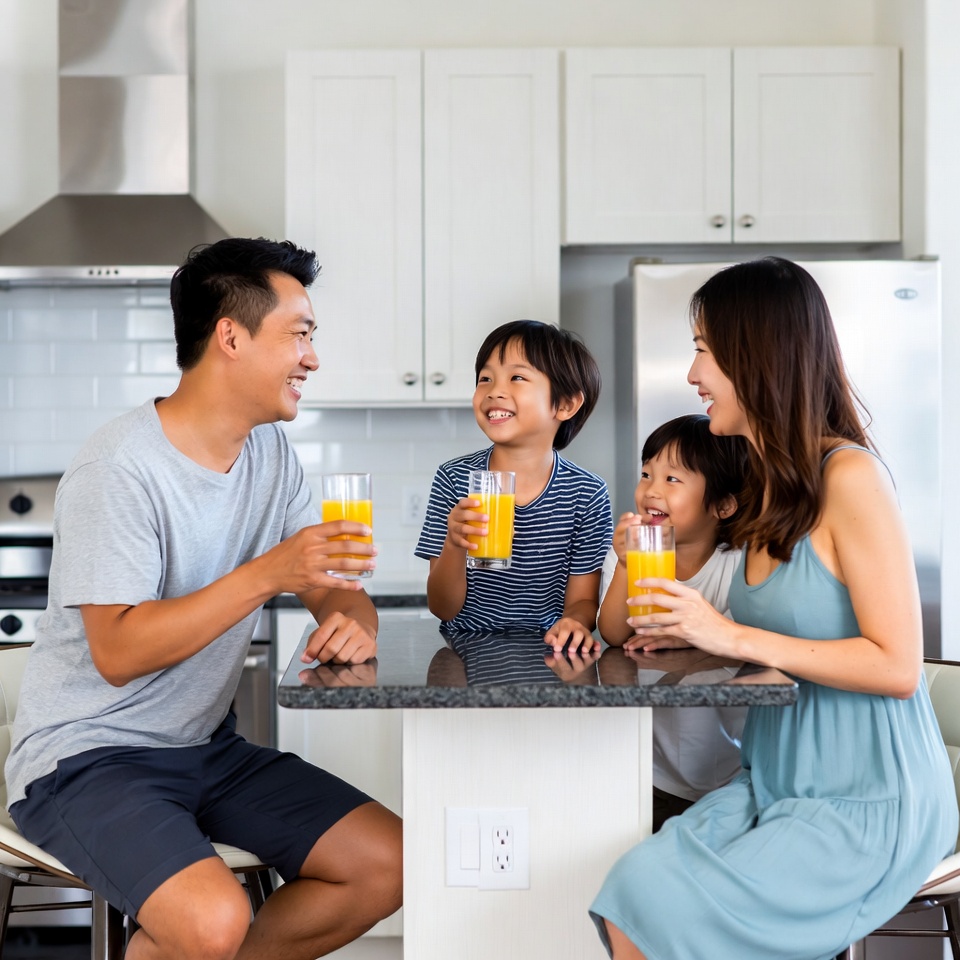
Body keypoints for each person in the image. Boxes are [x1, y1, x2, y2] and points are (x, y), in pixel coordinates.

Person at [5, 237, 402, 960]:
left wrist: (353, 626)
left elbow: (336, 592)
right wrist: (267, 572)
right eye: (300, 335)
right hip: (88, 760)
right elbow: (119, 652)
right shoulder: (119, 468)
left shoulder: (270, 454)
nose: (313, 358)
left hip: (204, 749)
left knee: (387, 863)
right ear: (231, 337)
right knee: (214, 922)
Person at [590, 257, 957, 960]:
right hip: (774, 782)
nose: (694, 374)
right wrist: (704, 643)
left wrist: (727, 633)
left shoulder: (849, 476)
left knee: (674, 907)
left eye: (703, 349)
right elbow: (789, 636)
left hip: (866, 797)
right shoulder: (765, 488)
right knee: (635, 893)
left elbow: (897, 666)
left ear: (755, 355)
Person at [415, 319, 613, 652]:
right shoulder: (453, 478)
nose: (494, 390)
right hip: (464, 650)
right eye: (485, 379)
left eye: (517, 377)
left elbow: (582, 602)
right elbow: (442, 607)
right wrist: (454, 544)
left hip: (551, 652)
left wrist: (575, 624)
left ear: (565, 404)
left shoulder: (587, 493)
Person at [597, 414, 749, 830]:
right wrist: (626, 565)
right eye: (646, 474)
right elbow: (613, 632)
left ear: (723, 505)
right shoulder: (631, 553)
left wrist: (690, 634)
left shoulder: (738, 564)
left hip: (734, 772)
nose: (651, 490)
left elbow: (746, 635)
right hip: (656, 772)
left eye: (672, 480)